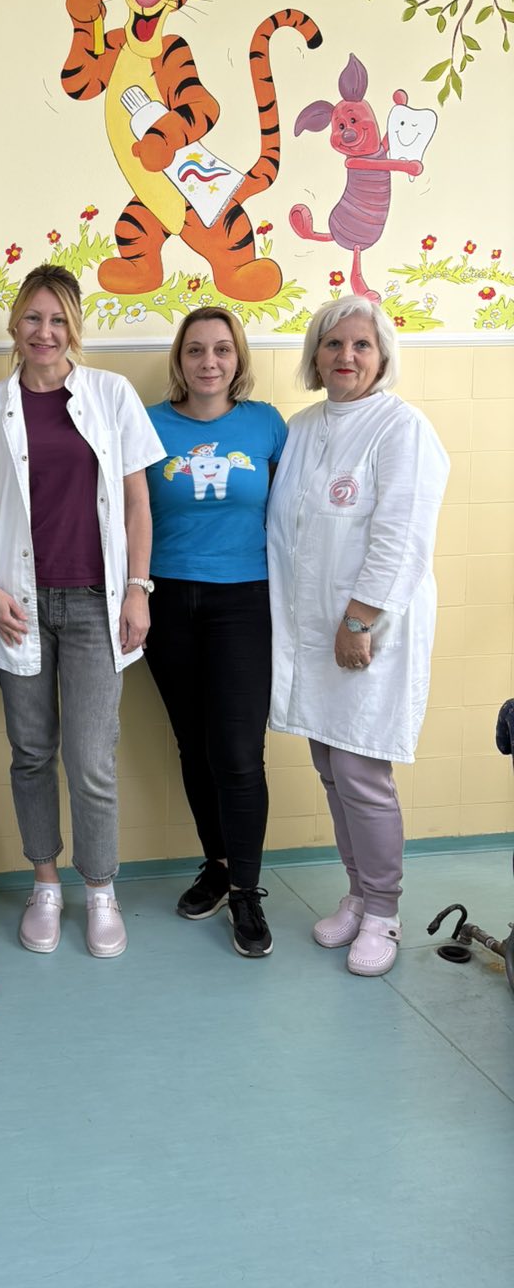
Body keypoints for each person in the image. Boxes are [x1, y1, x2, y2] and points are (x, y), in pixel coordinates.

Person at [0, 265, 163, 958]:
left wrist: (138, 588)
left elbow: (137, 502)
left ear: (73, 327)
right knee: (30, 753)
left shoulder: (111, 394)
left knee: (91, 757)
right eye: (32, 318)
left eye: (57, 320)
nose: (44, 332)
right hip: (18, 604)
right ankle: (45, 882)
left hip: (93, 604)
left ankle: (100, 889)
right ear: (14, 324)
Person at [268, 296, 448, 976]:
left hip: (365, 633)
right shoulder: (303, 426)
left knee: (362, 773)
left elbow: (401, 536)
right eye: (333, 344)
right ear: (315, 355)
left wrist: (359, 620)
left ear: (382, 357)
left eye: (361, 345)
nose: (346, 356)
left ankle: (384, 911)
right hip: (313, 630)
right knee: (329, 767)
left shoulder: (402, 429)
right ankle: (357, 893)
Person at [143, 309, 288, 957]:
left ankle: (247, 892)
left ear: (238, 358)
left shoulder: (266, 424)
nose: (209, 362)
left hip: (244, 602)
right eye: (196, 350)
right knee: (194, 746)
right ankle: (219, 867)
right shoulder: (149, 424)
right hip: (167, 599)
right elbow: (126, 512)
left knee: (237, 751)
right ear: (180, 359)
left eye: (222, 350)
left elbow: (293, 512)